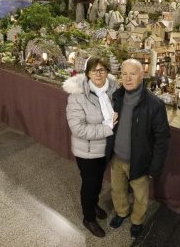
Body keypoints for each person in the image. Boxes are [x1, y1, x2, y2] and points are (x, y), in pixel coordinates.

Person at [105, 59, 170, 239]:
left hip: (140, 161)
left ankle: (137, 221)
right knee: (117, 190)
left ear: (142, 75)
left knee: (141, 196)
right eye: (124, 74)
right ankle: (121, 212)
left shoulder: (154, 104)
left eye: (132, 73)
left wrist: (154, 167)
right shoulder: (117, 97)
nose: (127, 78)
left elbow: (162, 139)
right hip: (117, 157)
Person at [63, 57, 118, 238]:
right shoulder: (77, 97)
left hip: (105, 148)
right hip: (86, 150)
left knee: (98, 181)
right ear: (87, 73)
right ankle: (88, 218)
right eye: (94, 70)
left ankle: (93, 203)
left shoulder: (112, 90)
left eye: (102, 70)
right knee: (89, 183)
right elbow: (78, 129)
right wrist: (107, 128)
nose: (99, 74)